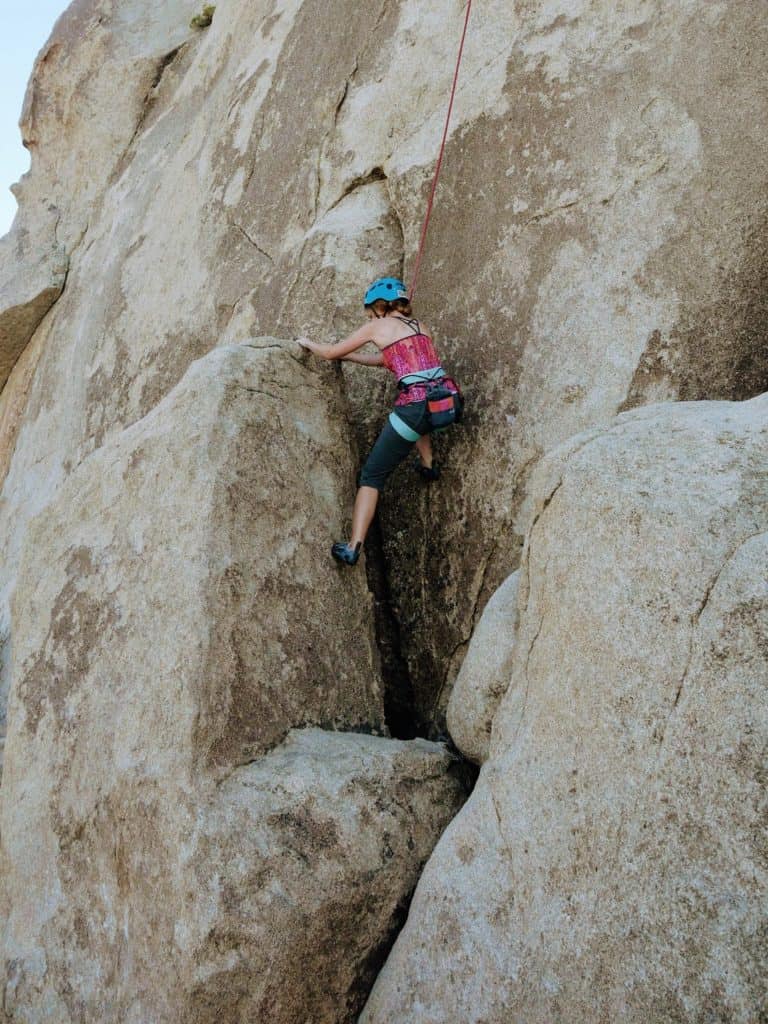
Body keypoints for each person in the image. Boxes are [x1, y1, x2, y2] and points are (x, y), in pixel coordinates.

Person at [298, 277, 461, 567]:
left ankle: (352, 547)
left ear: (378, 307)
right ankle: (429, 466)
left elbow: (330, 352)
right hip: (446, 401)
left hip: (415, 409)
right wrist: (355, 358)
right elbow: (388, 361)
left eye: (370, 312)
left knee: (371, 476)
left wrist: (308, 343)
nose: (370, 317)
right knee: (418, 420)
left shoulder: (377, 327)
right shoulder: (421, 328)